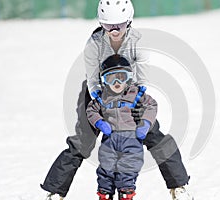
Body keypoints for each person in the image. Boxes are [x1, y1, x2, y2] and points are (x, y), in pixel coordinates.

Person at [41, 0, 192, 200]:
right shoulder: (94, 43)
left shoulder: (139, 41)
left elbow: (142, 78)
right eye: (108, 25)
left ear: (128, 21)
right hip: (99, 93)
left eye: (118, 25)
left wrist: (135, 99)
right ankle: (55, 191)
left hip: (131, 92)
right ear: (101, 23)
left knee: (154, 136)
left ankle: (179, 187)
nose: (114, 30)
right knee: (83, 142)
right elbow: (93, 79)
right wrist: (99, 101)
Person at [87, 54, 157, 200]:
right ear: (104, 80)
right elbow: (91, 110)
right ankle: (105, 193)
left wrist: (145, 123)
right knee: (106, 168)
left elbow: (151, 105)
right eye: (111, 78)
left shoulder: (135, 94)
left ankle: (126, 193)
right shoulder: (103, 97)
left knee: (128, 168)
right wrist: (99, 122)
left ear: (129, 78)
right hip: (110, 139)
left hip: (132, 139)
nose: (117, 82)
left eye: (122, 77)